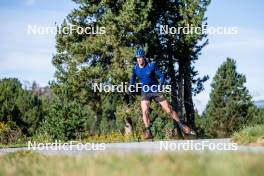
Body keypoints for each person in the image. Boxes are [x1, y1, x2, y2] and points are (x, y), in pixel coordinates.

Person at [130, 48, 191, 139]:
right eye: (137, 58)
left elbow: (162, 76)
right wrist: (131, 86)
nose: (139, 60)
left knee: (168, 109)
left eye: (140, 58)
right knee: (144, 111)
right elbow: (132, 79)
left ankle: (181, 125)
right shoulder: (135, 68)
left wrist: (161, 85)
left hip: (155, 90)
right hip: (145, 91)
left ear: (144, 58)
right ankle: (148, 131)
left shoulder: (151, 66)